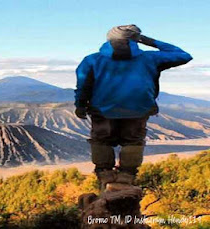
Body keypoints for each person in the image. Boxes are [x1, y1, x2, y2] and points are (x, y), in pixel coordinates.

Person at [74, 25, 192, 191]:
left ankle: (105, 174)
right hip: (139, 108)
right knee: (133, 141)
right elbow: (183, 55)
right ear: (135, 40)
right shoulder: (150, 58)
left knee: (101, 140)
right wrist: (148, 41)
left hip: (103, 109)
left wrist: (80, 105)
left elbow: (83, 85)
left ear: (109, 39)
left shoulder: (92, 60)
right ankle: (126, 176)